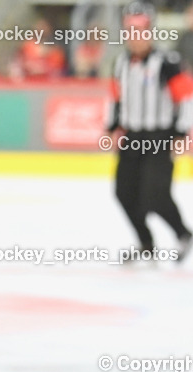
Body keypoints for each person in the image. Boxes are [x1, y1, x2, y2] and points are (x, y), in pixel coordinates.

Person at [107, 2, 193, 264]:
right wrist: (112, 127)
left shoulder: (166, 62)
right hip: (132, 137)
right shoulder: (120, 63)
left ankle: (183, 234)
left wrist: (181, 133)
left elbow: (186, 98)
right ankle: (146, 243)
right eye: (130, 31)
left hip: (160, 137)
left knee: (154, 194)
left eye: (140, 31)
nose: (135, 37)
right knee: (124, 192)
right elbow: (116, 98)